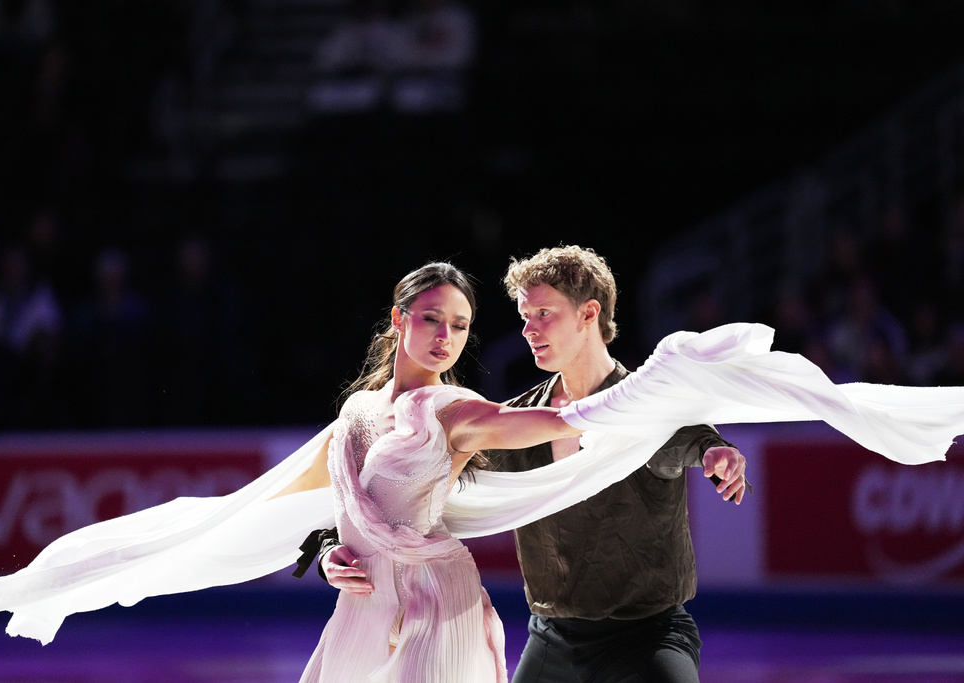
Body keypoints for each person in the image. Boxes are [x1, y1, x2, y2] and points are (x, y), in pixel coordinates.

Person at [0, 262, 964, 683]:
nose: (449, 334)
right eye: (433, 319)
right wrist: (325, 554)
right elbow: (308, 507)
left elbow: (564, 433)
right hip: (387, 605)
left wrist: (665, 407)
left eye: (460, 323)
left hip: (479, 605)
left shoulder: (471, 410)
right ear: (397, 320)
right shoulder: (361, 412)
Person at [321, 246, 749, 682]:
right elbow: (397, 496)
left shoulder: (645, 406)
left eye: (543, 313)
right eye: (525, 316)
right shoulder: (518, 416)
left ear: (588, 314)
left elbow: (675, 432)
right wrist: (327, 545)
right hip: (552, 639)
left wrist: (712, 450)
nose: (528, 329)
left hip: (647, 637)